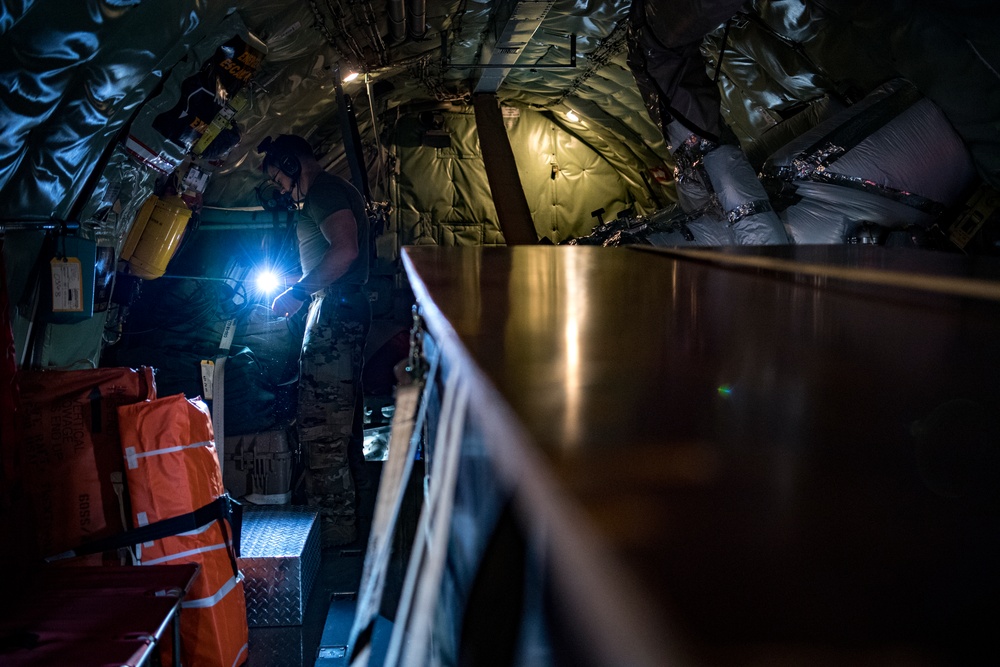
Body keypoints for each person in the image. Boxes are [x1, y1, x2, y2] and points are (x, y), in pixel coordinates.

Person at [258, 134, 371, 547]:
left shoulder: (323, 190)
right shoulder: (330, 190)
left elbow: (345, 251)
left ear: (291, 164)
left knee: (323, 425)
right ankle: (353, 520)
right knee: (341, 422)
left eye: (280, 180)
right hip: (337, 307)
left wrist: (299, 293)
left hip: (334, 313)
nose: (282, 191)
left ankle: (336, 533)